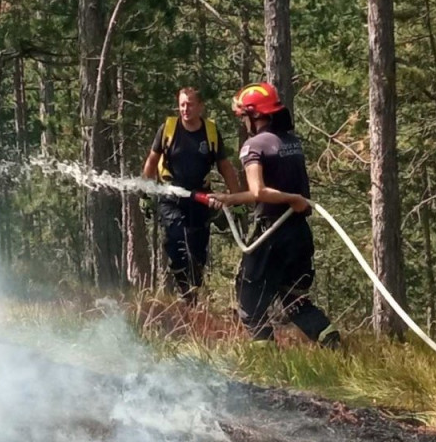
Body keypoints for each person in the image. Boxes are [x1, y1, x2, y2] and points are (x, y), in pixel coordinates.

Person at [210, 82, 339, 348]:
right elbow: (265, 192)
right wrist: (230, 199)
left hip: (271, 236)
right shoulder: (292, 142)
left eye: (244, 116)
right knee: (293, 299)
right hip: (298, 234)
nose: (243, 122)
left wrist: (290, 199)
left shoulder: (253, 146)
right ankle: (331, 342)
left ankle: (266, 360)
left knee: (250, 302)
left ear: (255, 115)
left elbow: (258, 190)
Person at [142, 87, 240, 303]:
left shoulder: (210, 131)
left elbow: (225, 166)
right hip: (170, 196)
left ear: (200, 107)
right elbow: (152, 160)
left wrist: (237, 199)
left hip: (200, 198)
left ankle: (193, 293)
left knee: (197, 250)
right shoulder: (168, 129)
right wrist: (145, 194)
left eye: (190, 104)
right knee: (176, 237)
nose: (185, 109)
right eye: (182, 104)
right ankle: (184, 289)